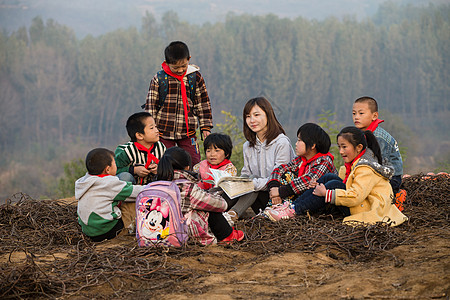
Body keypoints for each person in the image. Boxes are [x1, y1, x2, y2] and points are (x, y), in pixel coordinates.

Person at [264, 127, 408, 227]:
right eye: (339, 147)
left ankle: (293, 210)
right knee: (329, 178)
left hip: (367, 209)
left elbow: (356, 196)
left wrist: (326, 193)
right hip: (360, 203)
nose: (340, 151)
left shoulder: (365, 168)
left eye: (344, 147)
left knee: (332, 185)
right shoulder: (353, 164)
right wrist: (319, 187)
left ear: (358, 148)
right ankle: (290, 207)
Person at [224, 97, 295, 223]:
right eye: (248, 116)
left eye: (256, 115)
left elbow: (279, 177)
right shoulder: (248, 146)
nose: (252, 120)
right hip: (258, 199)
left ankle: (232, 215)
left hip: (279, 198)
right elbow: (246, 173)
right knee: (241, 183)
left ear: (268, 115)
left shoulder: (281, 142)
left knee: (252, 183)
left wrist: (252, 183)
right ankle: (218, 210)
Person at [157, 146, 244, 245]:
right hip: (182, 235)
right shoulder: (187, 187)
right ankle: (228, 236)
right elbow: (221, 205)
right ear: (187, 168)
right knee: (209, 205)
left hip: (156, 233)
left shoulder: (154, 185)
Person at [144, 41, 213, 166]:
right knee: (164, 163)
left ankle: (192, 185)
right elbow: (151, 107)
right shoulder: (159, 79)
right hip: (163, 131)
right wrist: (149, 130)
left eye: (184, 66)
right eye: (175, 68)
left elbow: (203, 103)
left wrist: (205, 127)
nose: (180, 70)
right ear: (166, 63)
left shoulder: (195, 77)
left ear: (189, 59)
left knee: (194, 162)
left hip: (188, 131)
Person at [76, 148, 145, 242]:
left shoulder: (85, 181)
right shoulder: (108, 183)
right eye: (115, 164)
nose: (116, 166)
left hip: (89, 232)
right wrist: (157, 186)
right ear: (108, 169)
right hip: (108, 231)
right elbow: (138, 192)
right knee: (135, 202)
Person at [265, 123, 337, 211]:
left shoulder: (324, 161)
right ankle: (277, 207)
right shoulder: (301, 160)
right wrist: (274, 188)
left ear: (313, 145)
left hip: (320, 204)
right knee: (286, 174)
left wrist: (280, 192)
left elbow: (307, 181)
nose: (296, 144)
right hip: (301, 198)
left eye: (299, 140)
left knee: (292, 179)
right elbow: (279, 169)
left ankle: (284, 210)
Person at [352, 96, 403, 195]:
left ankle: (399, 196)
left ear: (374, 116)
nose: (356, 117)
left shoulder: (378, 137)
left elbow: (379, 165)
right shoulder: (362, 133)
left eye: (361, 113)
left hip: (391, 177)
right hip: (375, 171)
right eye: (354, 113)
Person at [115, 112, 166, 185]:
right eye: (151, 128)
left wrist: (159, 169)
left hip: (153, 187)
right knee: (125, 176)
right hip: (132, 188)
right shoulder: (126, 151)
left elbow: (168, 167)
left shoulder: (161, 147)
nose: (157, 130)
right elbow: (115, 170)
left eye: (156, 127)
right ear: (139, 135)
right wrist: (134, 170)